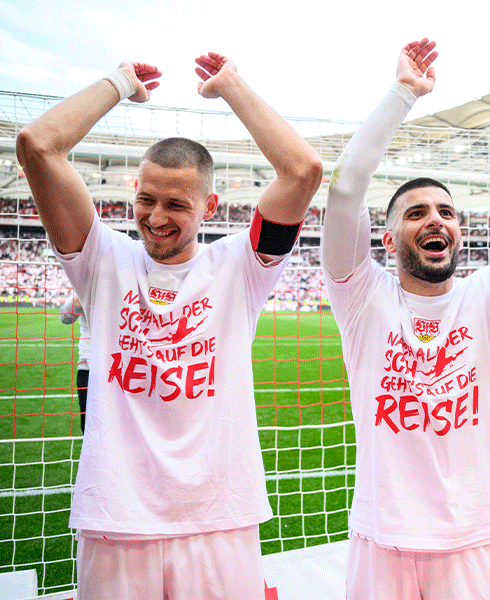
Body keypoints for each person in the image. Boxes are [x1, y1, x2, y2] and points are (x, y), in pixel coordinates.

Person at [16, 53, 323, 599]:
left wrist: (231, 86)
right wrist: (117, 83)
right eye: (146, 199)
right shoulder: (101, 259)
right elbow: (38, 145)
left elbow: (302, 171)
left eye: (176, 204)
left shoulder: (241, 267)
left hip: (219, 517)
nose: (156, 216)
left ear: (210, 204)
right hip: (116, 516)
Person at [321, 38, 490, 599]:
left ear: (459, 231)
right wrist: (403, 93)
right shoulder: (361, 298)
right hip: (382, 540)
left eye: (446, 212)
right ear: (387, 235)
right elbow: (345, 187)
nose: (435, 220)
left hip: (474, 540)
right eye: (416, 212)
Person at [60, 293, 90, 433]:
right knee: (89, 427)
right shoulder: (88, 282)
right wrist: (79, 295)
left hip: (121, 367)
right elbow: (65, 317)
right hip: (88, 368)